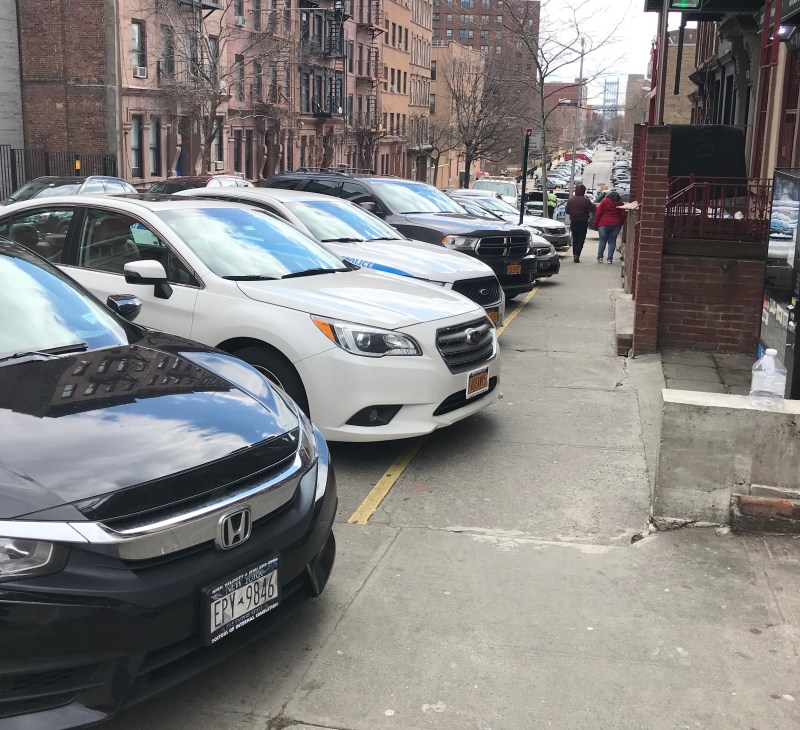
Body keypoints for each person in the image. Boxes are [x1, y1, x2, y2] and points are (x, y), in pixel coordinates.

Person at [564, 184, 595, 263]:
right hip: (583, 222)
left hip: (574, 221)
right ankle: (577, 254)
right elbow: (592, 209)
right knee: (581, 238)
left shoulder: (571, 200)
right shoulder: (586, 200)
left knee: (575, 238)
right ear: (583, 191)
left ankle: (575, 253)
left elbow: (567, 211)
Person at [594, 190, 626, 263]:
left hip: (603, 224)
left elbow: (599, 213)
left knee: (602, 241)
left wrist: (596, 224)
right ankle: (609, 259)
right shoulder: (621, 204)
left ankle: (600, 257)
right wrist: (619, 224)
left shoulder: (605, 201)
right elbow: (623, 216)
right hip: (616, 224)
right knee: (612, 241)